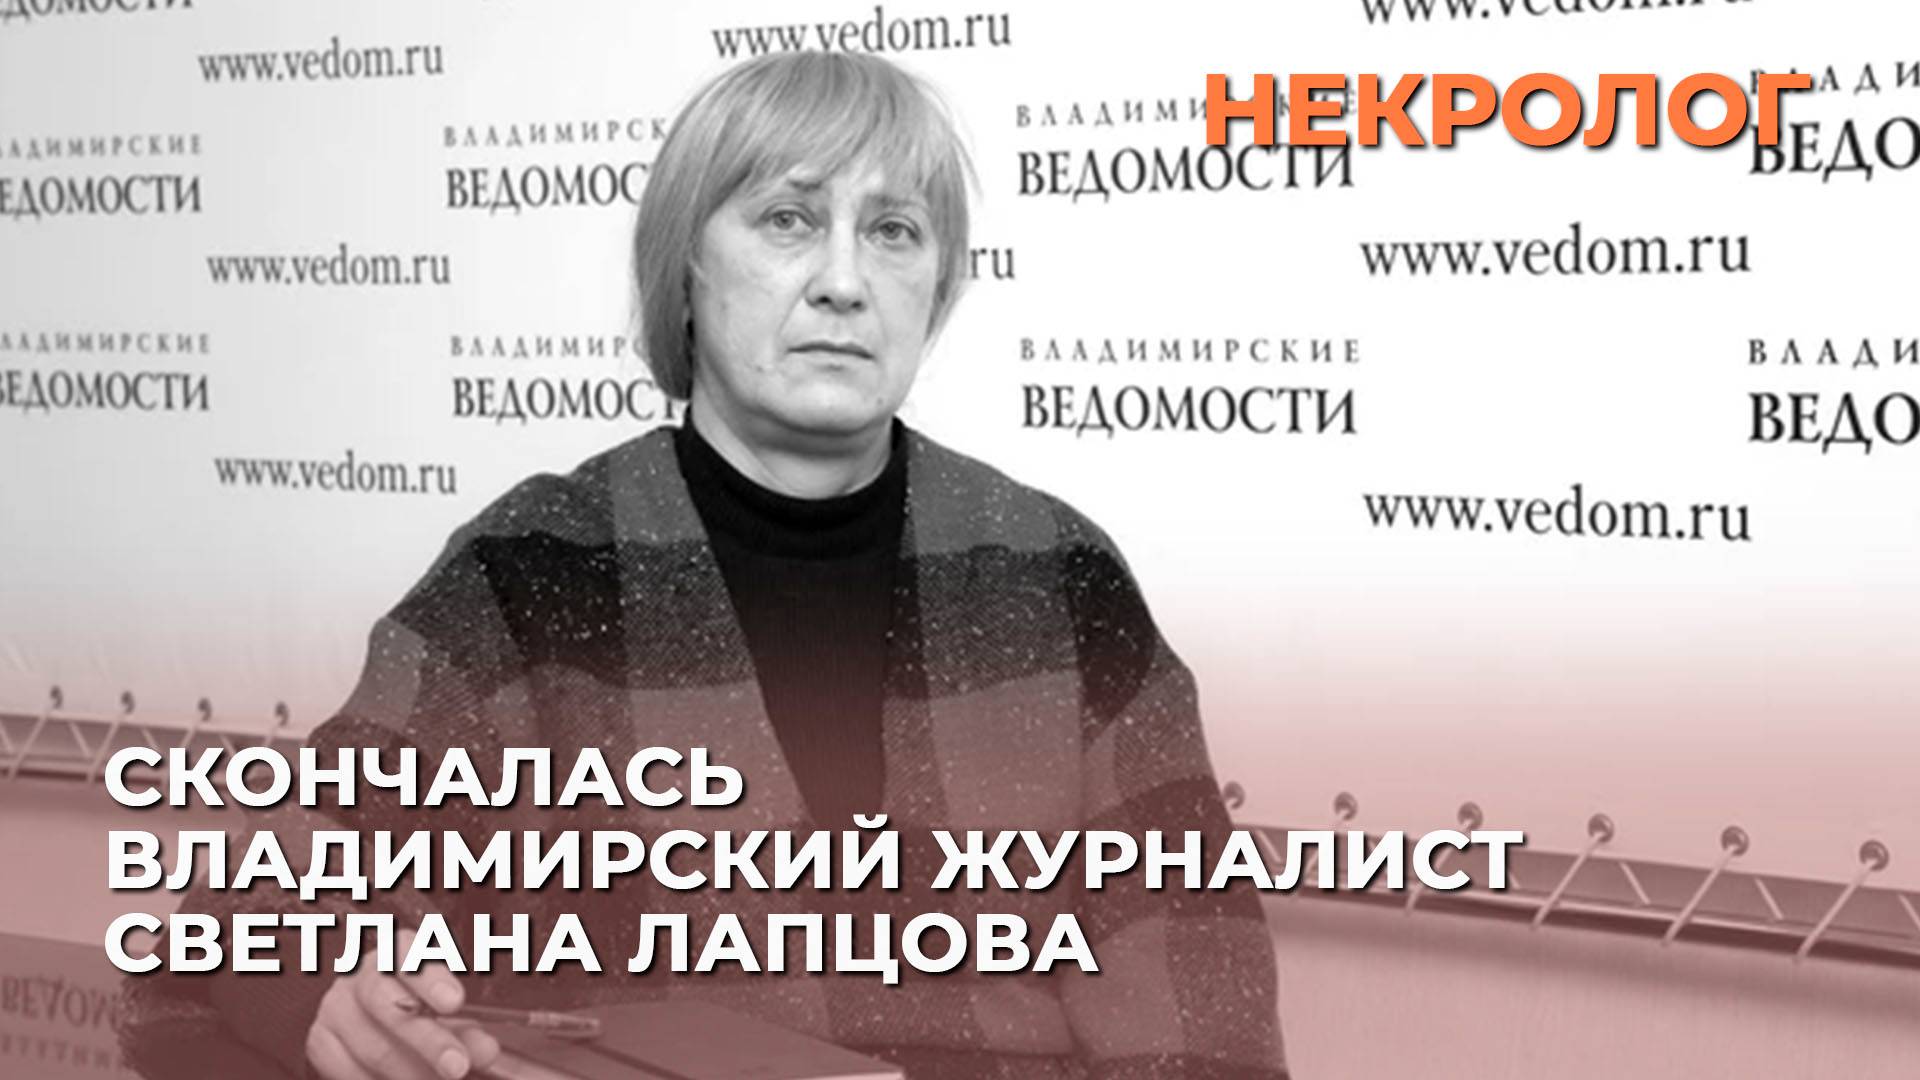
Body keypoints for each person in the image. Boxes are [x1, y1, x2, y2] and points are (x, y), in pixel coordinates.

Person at [118, 51, 1287, 1080]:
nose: (844, 280)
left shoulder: (1061, 575)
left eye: (893, 231)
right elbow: (251, 908)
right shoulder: (533, 572)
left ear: (937, 288)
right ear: (684, 269)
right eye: (787, 219)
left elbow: (1202, 1007)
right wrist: (327, 991)